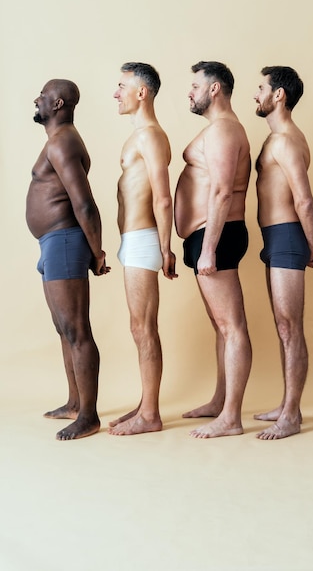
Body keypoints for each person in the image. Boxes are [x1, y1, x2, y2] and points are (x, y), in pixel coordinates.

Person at [26, 79, 110, 441]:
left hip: (64, 240)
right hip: (52, 241)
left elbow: (84, 203)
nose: (37, 99)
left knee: (76, 329)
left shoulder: (62, 142)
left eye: (43, 96)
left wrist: (97, 250)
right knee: (64, 329)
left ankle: (88, 416)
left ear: (58, 103)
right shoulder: (58, 141)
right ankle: (75, 402)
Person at [175, 61, 252, 438]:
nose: (190, 92)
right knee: (220, 328)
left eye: (195, 86)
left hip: (216, 236)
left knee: (232, 327)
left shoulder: (224, 130)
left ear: (215, 89)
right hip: (205, 236)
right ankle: (221, 401)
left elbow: (222, 191)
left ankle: (232, 417)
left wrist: (208, 249)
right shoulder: (216, 130)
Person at [108, 62, 177, 436]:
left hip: (144, 239)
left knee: (143, 327)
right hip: (132, 241)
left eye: (122, 86)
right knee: (139, 327)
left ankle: (150, 414)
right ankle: (144, 403)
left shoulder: (150, 136)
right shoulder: (139, 136)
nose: (116, 93)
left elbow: (163, 198)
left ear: (142, 92)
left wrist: (166, 248)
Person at [253, 66, 313, 440]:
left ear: (279, 95)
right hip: (274, 236)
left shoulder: (287, 141)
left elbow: (304, 199)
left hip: (288, 236)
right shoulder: (277, 139)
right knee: (284, 327)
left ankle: (292, 415)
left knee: (289, 326)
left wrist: (311, 244)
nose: (256, 94)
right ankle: (286, 403)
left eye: (261, 88)